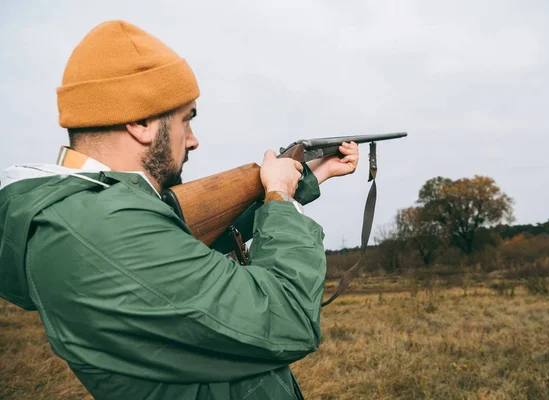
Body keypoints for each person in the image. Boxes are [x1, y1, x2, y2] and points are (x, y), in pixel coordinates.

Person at [0, 20, 359, 399]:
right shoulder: (99, 228)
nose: (193, 140)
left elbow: (184, 248)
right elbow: (287, 318)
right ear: (140, 122)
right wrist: (279, 198)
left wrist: (304, 181)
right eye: (186, 119)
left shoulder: (91, 212)